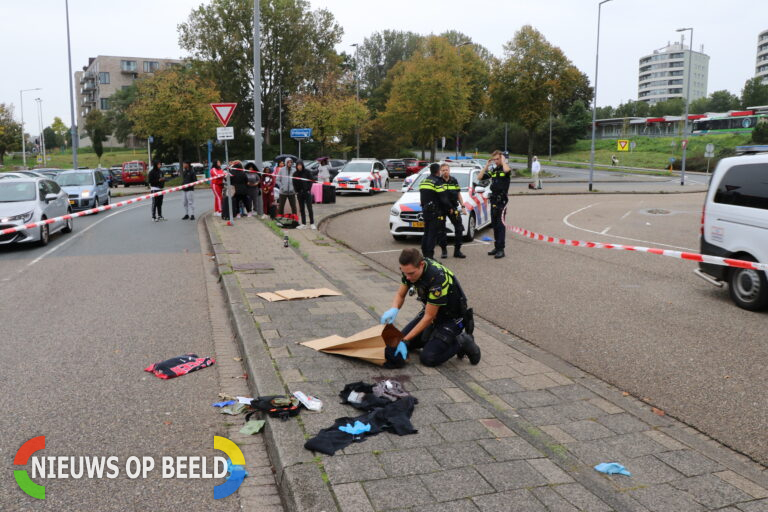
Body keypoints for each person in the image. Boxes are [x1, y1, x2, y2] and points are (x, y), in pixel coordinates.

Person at [380, 248, 480, 368]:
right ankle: (432, 339)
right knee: (401, 344)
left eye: (411, 273)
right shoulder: (409, 270)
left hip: (451, 319)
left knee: (428, 357)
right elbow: (400, 295)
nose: (407, 277)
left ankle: (462, 341)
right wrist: (394, 309)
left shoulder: (437, 278)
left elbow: (428, 317)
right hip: (432, 312)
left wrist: (405, 340)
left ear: (421, 265)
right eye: (404, 272)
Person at [476, 150, 512, 259]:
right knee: (495, 226)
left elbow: (507, 170)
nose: (496, 161)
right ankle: (496, 247)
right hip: (494, 200)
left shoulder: (506, 168)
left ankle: (501, 249)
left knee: (500, 226)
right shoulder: (494, 170)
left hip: (502, 201)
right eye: (494, 159)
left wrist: (504, 161)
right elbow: (480, 177)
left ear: (501, 158)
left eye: (498, 159)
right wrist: (486, 166)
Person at [419, 163, 449, 259]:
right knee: (432, 235)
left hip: (425, 211)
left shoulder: (423, 181)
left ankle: (424, 254)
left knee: (426, 233)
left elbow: (422, 197)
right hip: (434, 212)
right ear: (437, 171)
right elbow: (444, 198)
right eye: (440, 170)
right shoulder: (437, 182)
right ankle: (430, 257)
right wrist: (450, 207)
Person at [437, 163, 466, 259]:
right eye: (443, 170)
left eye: (447, 170)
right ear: (441, 171)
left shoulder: (454, 180)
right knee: (441, 231)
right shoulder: (438, 181)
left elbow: (458, 194)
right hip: (441, 209)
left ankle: (457, 251)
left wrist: (463, 206)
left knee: (459, 228)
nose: (445, 171)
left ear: (449, 170)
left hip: (453, 208)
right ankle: (444, 251)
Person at [294, 160, 316, 229]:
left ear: (302, 165)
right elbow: (294, 183)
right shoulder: (295, 174)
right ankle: (303, 223)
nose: (299, 167)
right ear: (296, 166)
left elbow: (311, 180)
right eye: (298, 165)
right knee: (302, 209)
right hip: (299, 193)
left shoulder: (307, 172)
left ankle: (312, 223)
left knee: (309, 208)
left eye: (300, 165)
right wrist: (296, 191)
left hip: (307, 192)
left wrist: (308, 189)